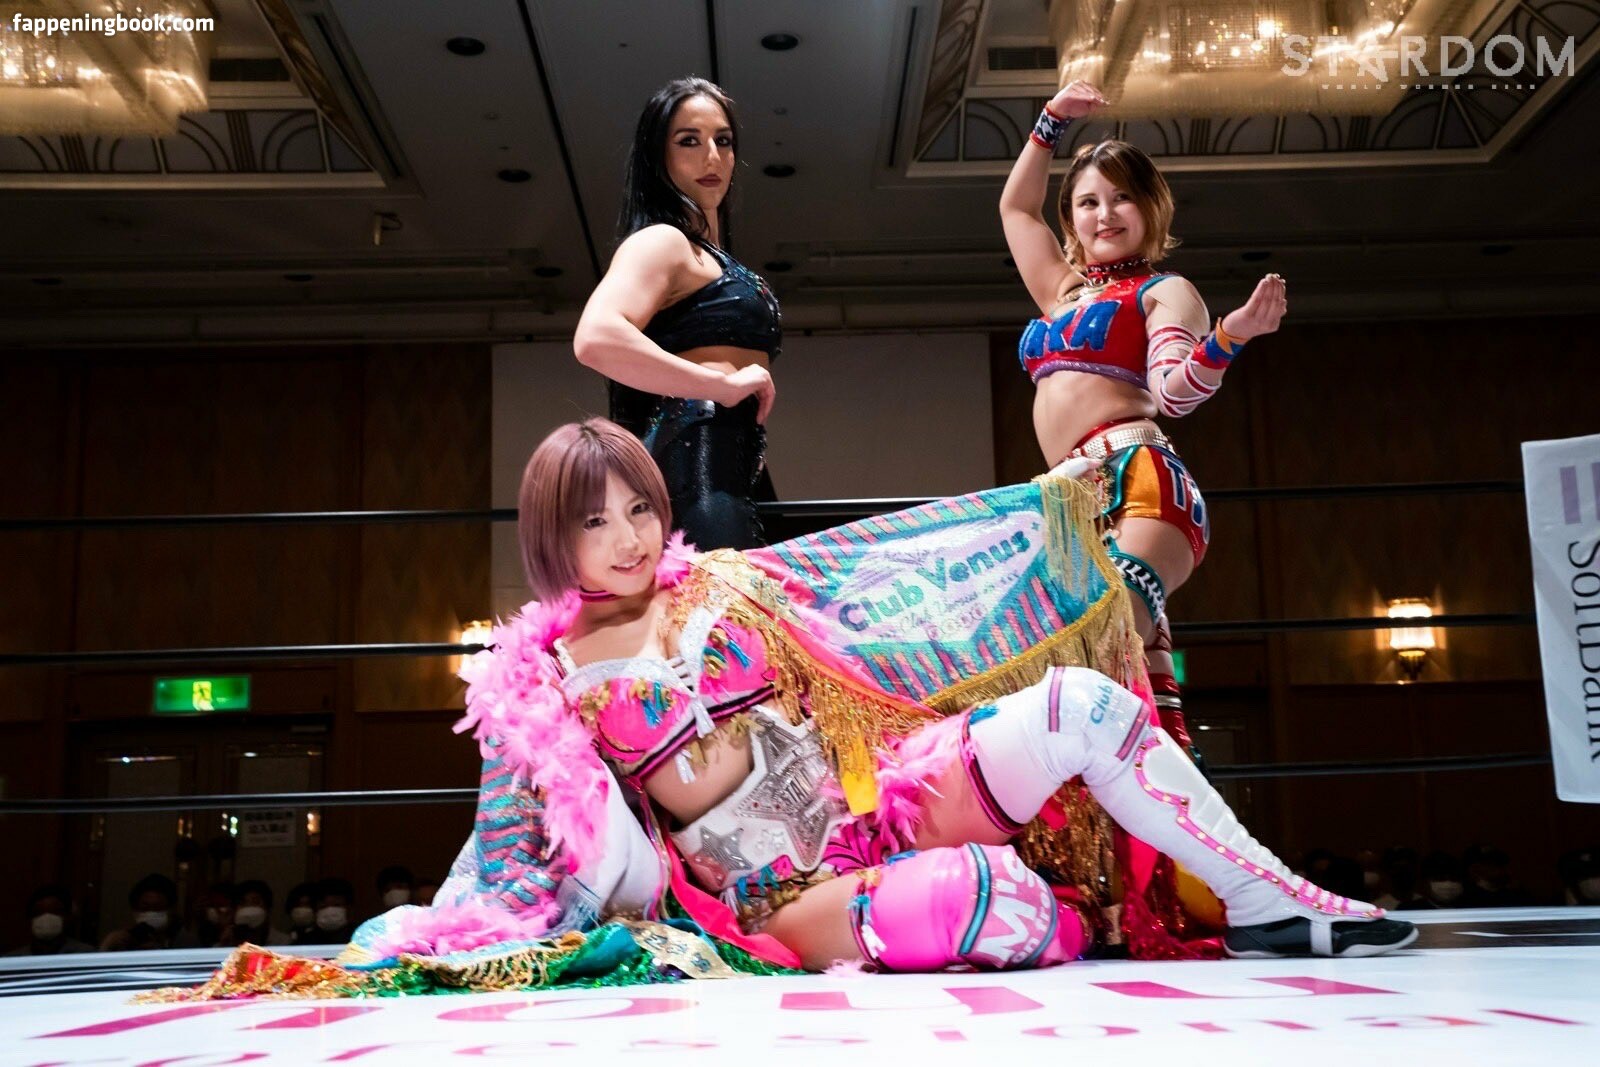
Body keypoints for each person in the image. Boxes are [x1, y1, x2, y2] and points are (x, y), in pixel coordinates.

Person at [332, 418, 1412, 982]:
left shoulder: (725, 582)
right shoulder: (539, 681)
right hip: (776, 899)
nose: (628, 537)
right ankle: (1011, 901)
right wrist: (459, 926)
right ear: (550, 538)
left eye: (639, 508)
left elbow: (892, 570)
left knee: (1078, 706)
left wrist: (1046, 511)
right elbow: (508, 851)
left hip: (883, 800)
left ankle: (1271, 901)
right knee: (1000, 904)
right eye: (593, 520)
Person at [999, 81, 1287, 752]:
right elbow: (1015, 208)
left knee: (1096, 650)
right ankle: (1149, 810)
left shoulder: (1165, 291)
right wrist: (1049, 121)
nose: (1105, 214)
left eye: (1122, 197)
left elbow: (1176, 393)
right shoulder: (1061, 292)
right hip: (1068, 496)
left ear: (1152, 208)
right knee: (1103, 681)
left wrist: (1230, 336)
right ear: (1070, 219)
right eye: (1087, 202)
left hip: (1138, 480)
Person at [573, 76, 781, 550]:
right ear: (657, 154)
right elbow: (596, 337)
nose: (712, 156)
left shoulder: (708, 256)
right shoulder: (663, 241)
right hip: (701, 467)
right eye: (689, 141)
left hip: (732, 469)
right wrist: (720, 386)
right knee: (728, 598)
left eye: (723, 141)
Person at [100, 873, 179, 951]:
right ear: (135, 910)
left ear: (170, 910)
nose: (151, 912)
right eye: (145, 908)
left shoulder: (181, 940)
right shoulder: (122, 939)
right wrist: (107, 945)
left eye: (158, 908)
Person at [6, 885, 93, 956]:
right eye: (39, 912)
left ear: (68, 917)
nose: (46, 917)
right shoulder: (12, 959)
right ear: (29, 919)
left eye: (55, 911)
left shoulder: (86, 955)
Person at [217, 880, 289, 947]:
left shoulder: (284, 942)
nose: (248, 907)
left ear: (267, 908)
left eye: (255, 902)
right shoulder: (229, 938)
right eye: (242, 903)